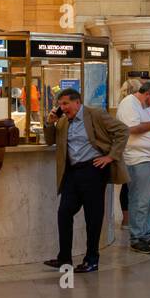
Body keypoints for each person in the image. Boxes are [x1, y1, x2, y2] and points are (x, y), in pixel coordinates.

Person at [42, 88, 129, 273]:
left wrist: (111, 157)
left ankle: (91, 259)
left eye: (65, 103)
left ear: (77, 102)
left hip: (93, 170)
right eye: (60, 104)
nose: (62, 108)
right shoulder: (63, 121)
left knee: (93, 217)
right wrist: (50, 123)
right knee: (64, 213)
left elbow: (122, 131)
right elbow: (50, 141)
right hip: (72, 173)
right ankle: (64, 258)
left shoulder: (94, 114)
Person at [116, 79, 150, 255]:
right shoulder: (129, 104)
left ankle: (146, 235)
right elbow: (130, 129)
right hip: (137, 158)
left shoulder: (148, 105)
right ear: (147, 94)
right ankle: (136, 238)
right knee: (140, 200)